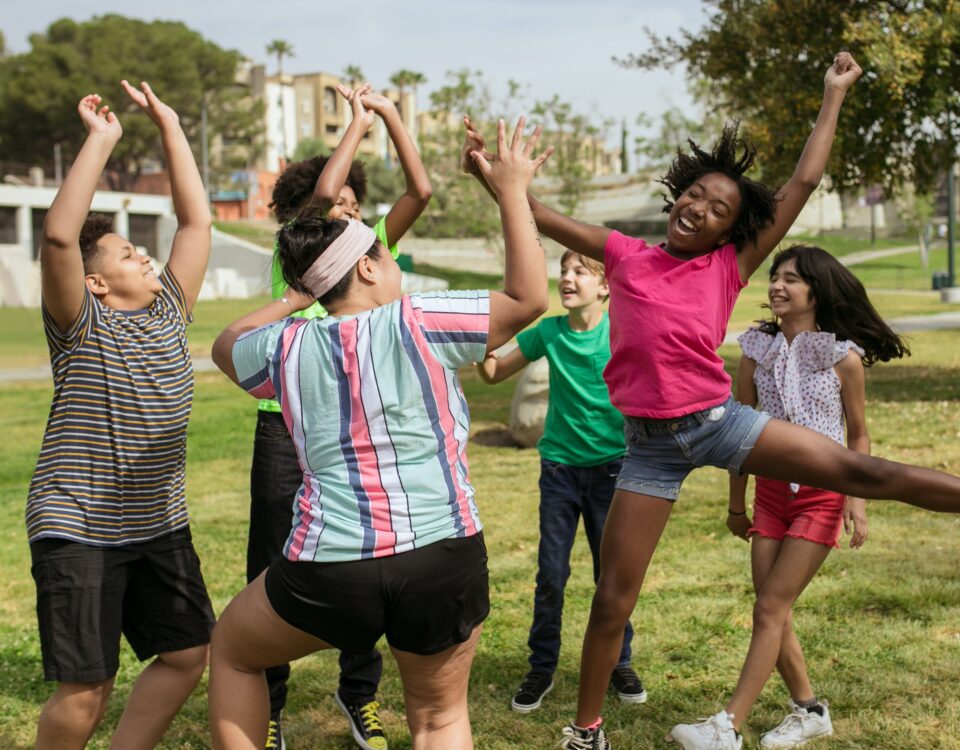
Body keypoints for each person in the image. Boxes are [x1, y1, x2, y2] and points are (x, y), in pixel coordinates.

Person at [464, 52, 960, 750]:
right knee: (612, 598)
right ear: (678, 194)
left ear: (734, 229)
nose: (699, 207)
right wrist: (496, 178)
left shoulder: (731, 264)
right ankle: (585, 731)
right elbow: (535, 212)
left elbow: (805, 179)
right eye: (695, 194)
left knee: (864, 473)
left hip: (721, 424)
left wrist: (833, 95)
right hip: (649, 451)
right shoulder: (624, 255)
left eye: (719, 207)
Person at [208, 118, 553, 750]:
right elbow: (529, 301)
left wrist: (295, 295)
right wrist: (510, 190)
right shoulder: (419, 320)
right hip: (441, 555)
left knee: (232, 652)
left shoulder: (283, 347)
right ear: (366, 270)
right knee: (439, 719)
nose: (394, 266)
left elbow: (225, 345)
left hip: (328, 567)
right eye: (386, 256)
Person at [27, 81, 214, 750]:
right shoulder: (80, 323)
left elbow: (195, 224)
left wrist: (168, 123)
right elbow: (56, 238)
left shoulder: (168, 309)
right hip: (78, 523)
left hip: (158, 523)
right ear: (98, 281)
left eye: (142, 250)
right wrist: (101, 141)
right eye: (125, 254)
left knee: (189, 653)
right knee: (85, 688)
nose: (143, 254)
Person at [249, 82, 431, 750]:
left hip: (360, 424)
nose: (347, 214)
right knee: (270, 564)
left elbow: (421, 191)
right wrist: (355, 121)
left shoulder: (371, 253)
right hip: (283, 427)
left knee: (369, 552)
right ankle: (264, 705)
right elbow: (323, 197)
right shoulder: (297, 256)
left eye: (358, 206)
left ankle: (360, 695)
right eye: (335, 206)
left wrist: (388, 116)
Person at [669, 245, 908, 748]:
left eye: (791, 279)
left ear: (815, 291)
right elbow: (735, 433)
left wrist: (855, 500)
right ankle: (809, 709)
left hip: (821, 493)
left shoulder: (841, 357)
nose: (777, 285)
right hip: (770, 492)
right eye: (774, 277)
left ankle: (727, 728)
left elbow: (858, 435)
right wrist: (737, 504)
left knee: (769, 608)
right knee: (771, 608)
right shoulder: (757, 350)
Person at [476, 251, 645, 713]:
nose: (567, 279)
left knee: (611, 576)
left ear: (605, 286)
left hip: (613, 470)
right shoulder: (548, 331)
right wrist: (483, 335)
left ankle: (620, 662)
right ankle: (541, 667)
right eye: (564, 272)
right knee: (551, 574)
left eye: (580, 273)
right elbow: (492, 372)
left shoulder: (622, 331)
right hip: (559, 473)